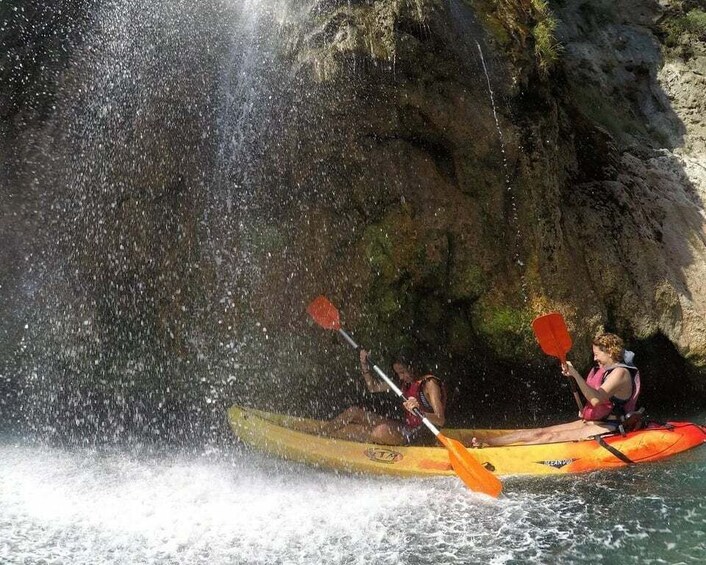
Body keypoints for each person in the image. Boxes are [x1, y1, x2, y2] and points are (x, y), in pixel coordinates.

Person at [474, 332, 641, 447]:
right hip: (597, 421)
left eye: (597, 354)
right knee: (540, 431)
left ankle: (490, 446)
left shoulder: (620, 372)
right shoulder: (605, 371)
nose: (595, 358)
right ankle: (490, 442)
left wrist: (575, 374)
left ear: (610, 352)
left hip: (610, 425)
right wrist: (587, 411)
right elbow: (597, 402)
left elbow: (596, 399)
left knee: (548, 437)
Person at [319, 349, 446, 445]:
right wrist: (364, 365)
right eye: (398, 373)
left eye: (402, 372)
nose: (401, 377)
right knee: (353, 412)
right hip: (407, 429)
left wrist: (420, 411)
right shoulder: (403, 382)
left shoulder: (430, 384)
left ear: (412, 366)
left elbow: (440, 420)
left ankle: (357, 447)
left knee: (380, 431)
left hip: (421, 435)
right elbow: (373, 387)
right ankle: (319, 436)